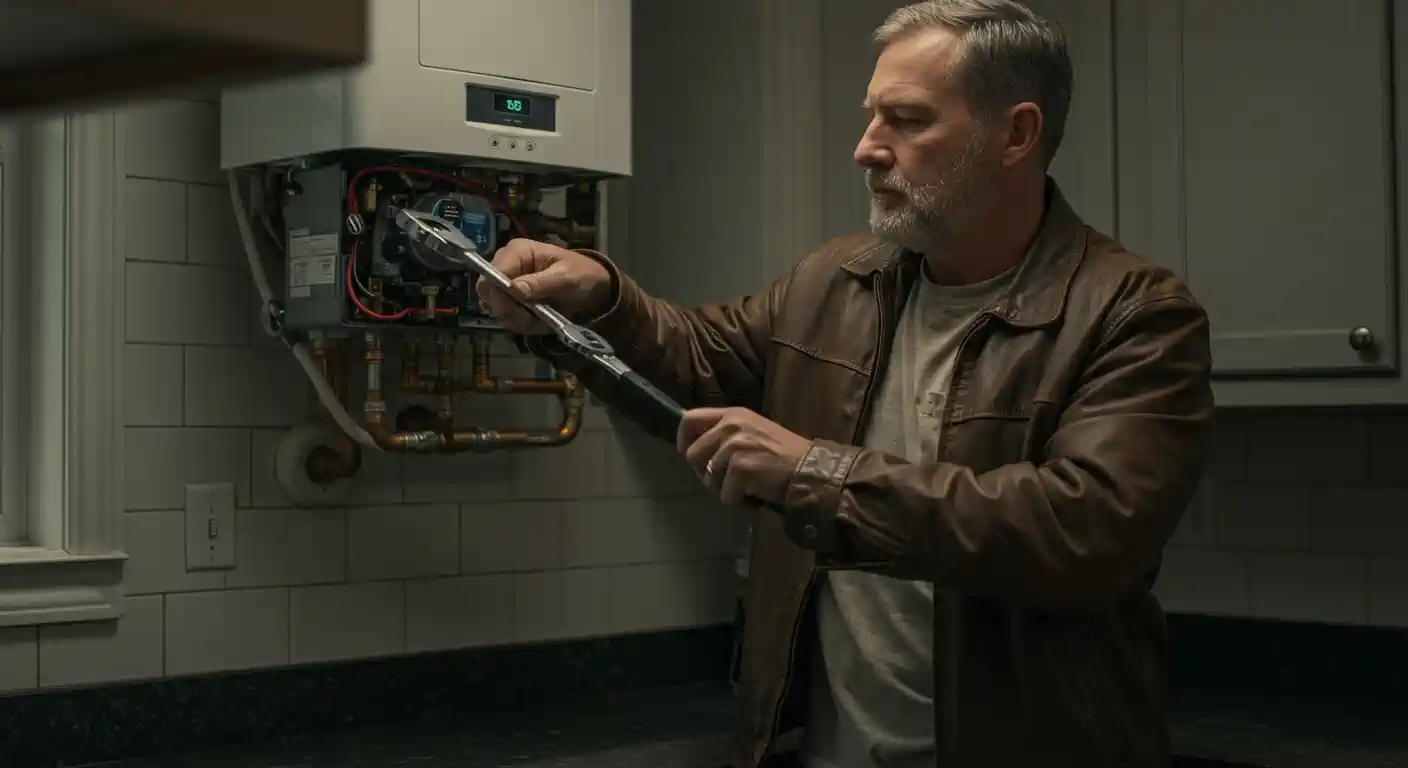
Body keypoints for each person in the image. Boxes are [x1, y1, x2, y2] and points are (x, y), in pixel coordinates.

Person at [478, 0, 1213, 765]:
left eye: (907, 120)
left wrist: (814, 474)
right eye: (871, 117)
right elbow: (699, 358)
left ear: (1017, 135)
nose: (867, 148)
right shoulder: (837, 279)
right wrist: (598, 294)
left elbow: (1084, 531)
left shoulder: (1134, 314)